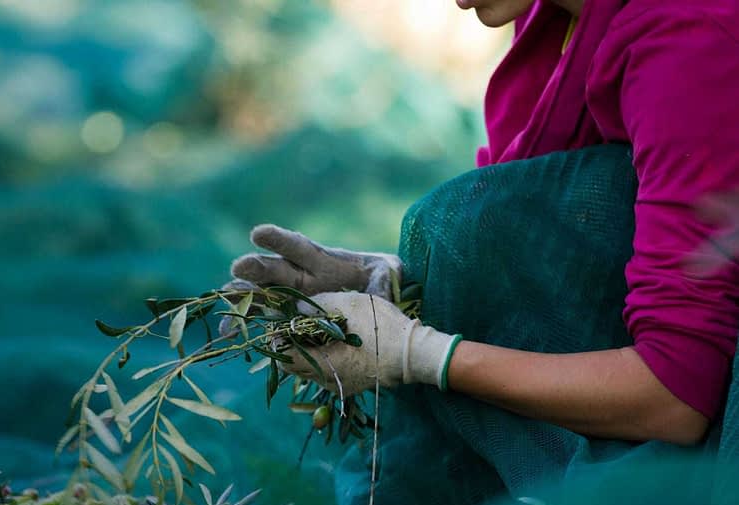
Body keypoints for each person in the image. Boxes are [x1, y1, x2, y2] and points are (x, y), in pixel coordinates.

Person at [228, 0, 739, 448]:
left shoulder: (688, 45)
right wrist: (409, 281)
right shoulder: (560, 19)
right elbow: (549, 241)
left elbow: (676, 397)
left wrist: (422, 354)